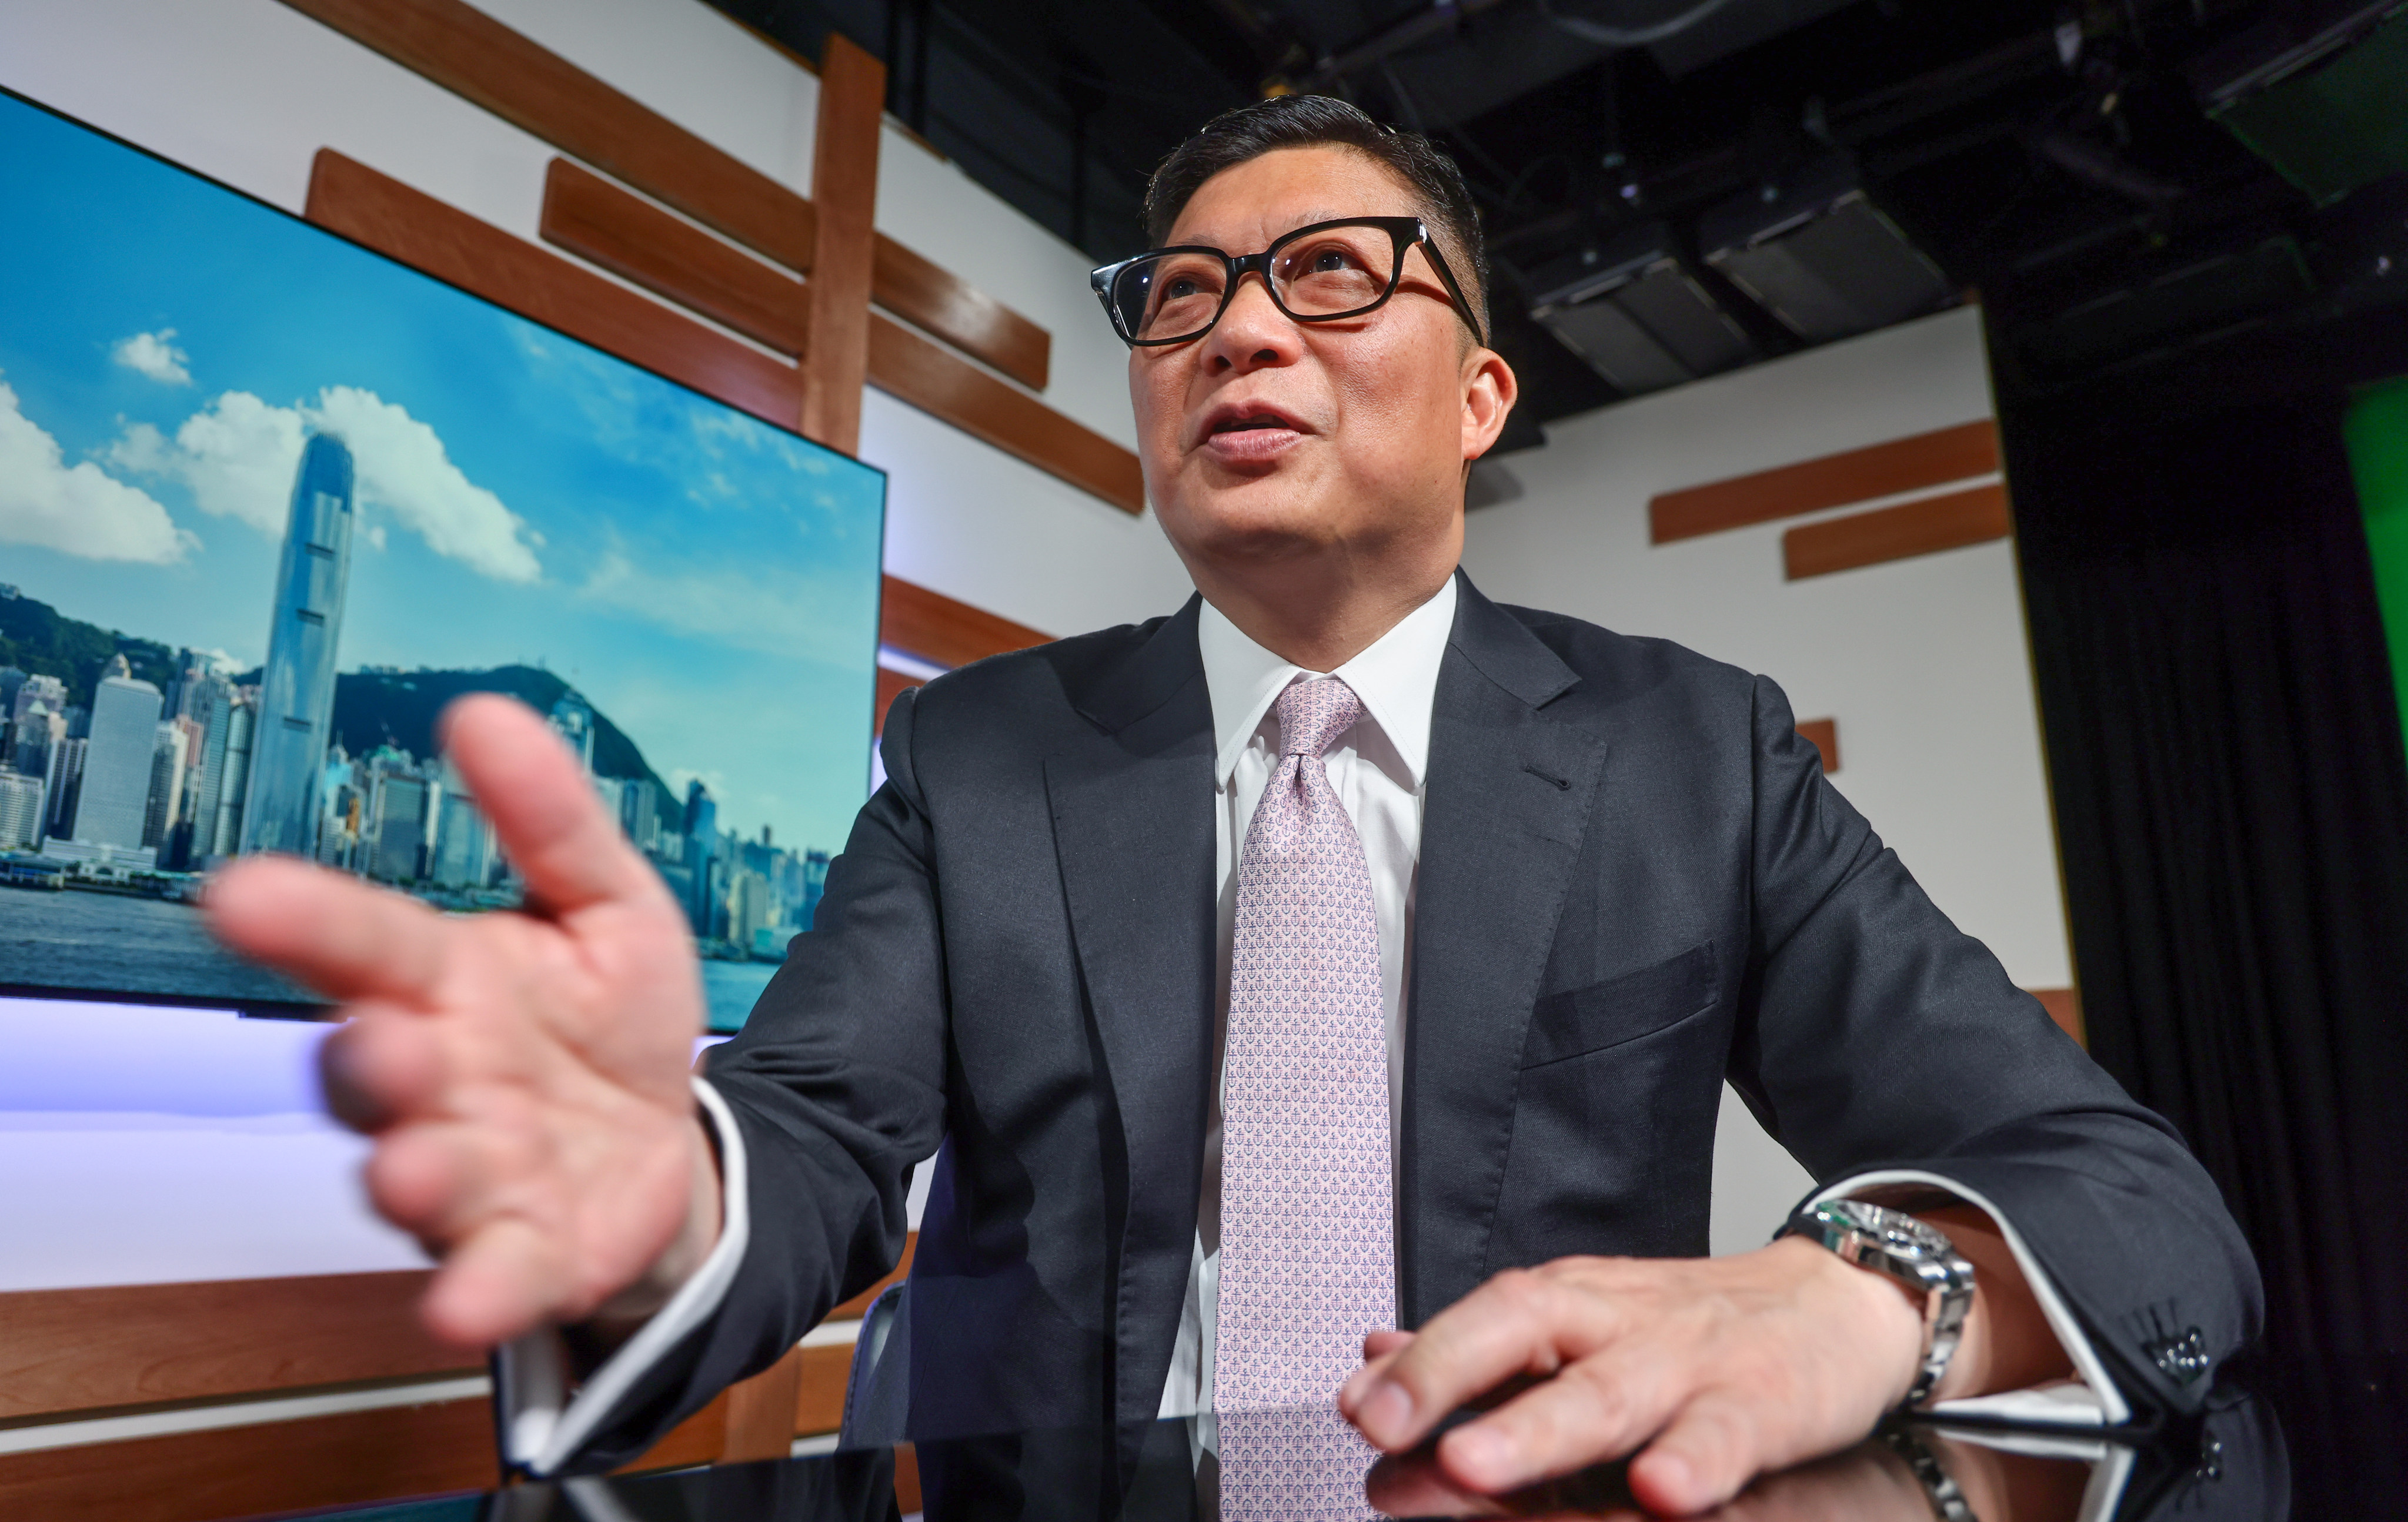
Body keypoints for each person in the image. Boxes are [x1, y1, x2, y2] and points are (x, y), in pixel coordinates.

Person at [208, 96, 2256, 1515]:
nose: (1241, 329)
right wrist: (667, 1195)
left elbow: (2126, 1197)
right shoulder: (978, 753)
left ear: (1479, 393)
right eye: (1181, 296)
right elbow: (816, 1133)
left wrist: (1865, 1293)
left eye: (1335, 275)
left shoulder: (1693, 752)